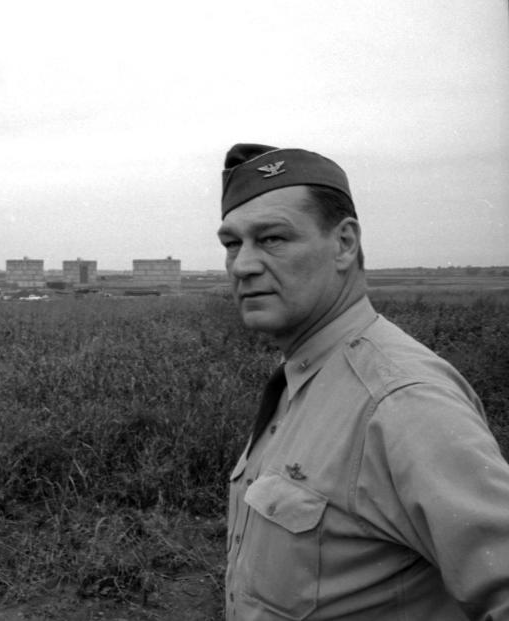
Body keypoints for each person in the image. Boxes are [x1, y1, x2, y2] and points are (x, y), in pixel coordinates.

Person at [216, 143, 509, 620]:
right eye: (232, 243)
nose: (243, 265)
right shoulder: (308, 377)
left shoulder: (400, 402)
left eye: (272, 239)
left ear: (345, 244)